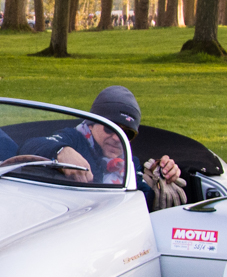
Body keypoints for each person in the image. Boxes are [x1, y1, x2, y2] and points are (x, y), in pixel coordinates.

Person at [18, 84, 187, 210]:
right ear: (91, 124)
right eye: (110, 128)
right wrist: (61, 151)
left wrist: (162, 177)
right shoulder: (74, 138)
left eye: (126, 134)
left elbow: (141, 203)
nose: (116, 138)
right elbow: (30, 146)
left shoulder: (128, 163)